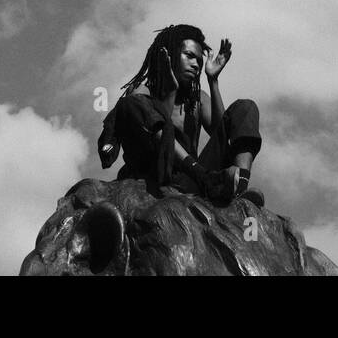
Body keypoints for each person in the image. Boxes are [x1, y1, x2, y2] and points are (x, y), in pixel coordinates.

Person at [97, 24, 263, 206]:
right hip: (158, 175)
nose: (196, 65)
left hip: (193, 180)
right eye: (190, 56)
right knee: (131, 104)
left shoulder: (198, 99)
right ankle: (206, 178)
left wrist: (213, 81)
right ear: (170, 55)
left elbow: (223, 131)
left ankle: (241, 189)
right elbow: (159, 137)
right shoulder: (141, 92)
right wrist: (171, 92)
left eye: (199, 61)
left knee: (245, 107)